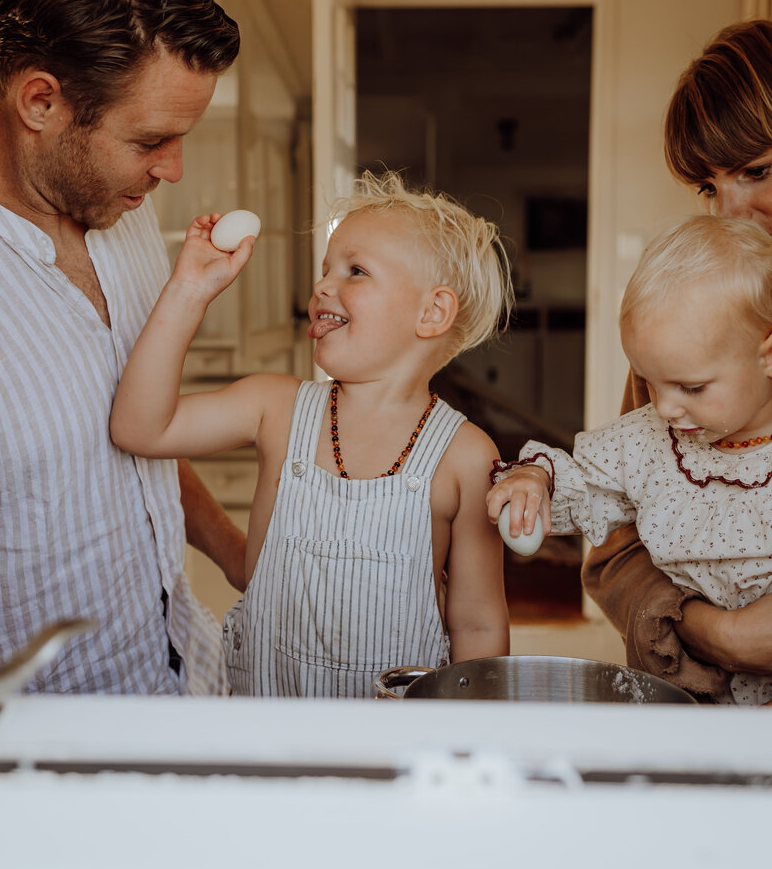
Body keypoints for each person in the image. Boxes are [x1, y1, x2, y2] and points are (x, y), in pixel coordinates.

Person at [0, 0, 245, 695]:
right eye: (150, 140)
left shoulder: (119, 207)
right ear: (40, 101)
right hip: (35, 759)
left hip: (182, 680)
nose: (174, 171)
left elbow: (134, 438)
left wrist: (233, 550)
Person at [110, 171, 512, 697]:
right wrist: (188, 291)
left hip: (392, 744)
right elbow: (139, 427)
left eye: (356, 271)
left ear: (432, 312)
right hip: (265, 727)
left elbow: (478, 626)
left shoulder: (465, 458)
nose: (323, 285)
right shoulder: (274, 407)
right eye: (327, 269)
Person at [488, 214, 772, 705]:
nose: (664, 407)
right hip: (686, 698)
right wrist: (534, 479)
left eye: (692, 387)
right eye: (650, 380)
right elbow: (579, 486)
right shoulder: (648, 440)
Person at [582, 19, 772, 699]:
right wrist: (711, 631)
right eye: (708, 187)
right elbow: (617, 545)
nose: (732, 213)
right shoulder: (687, 340)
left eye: (757, 171)